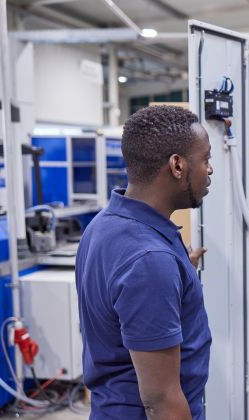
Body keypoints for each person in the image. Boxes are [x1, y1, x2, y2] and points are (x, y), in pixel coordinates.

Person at [76, 105, 213, 419]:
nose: (210, 169)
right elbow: (161, 401)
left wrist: (177, 274)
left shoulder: (102, 227)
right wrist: (162, 272)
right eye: (205, 159)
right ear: (177, 166)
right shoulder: (150, 261)